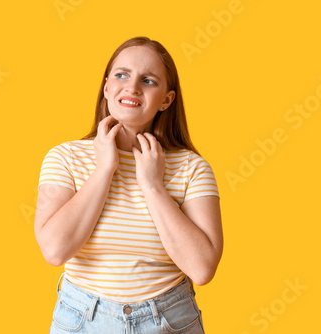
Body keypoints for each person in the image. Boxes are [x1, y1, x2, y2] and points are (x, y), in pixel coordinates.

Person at [34, 36, 223, 333]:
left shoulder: (191, 167)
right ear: (107, 86)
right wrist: (104, 170)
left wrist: (153, 187)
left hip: (170, 321)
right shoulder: (65, 157)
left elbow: (202, 268)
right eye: (122, 75)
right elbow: (55, 251)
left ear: (166, 100)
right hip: (83, 320)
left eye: (148, 81)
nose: (132, 87)